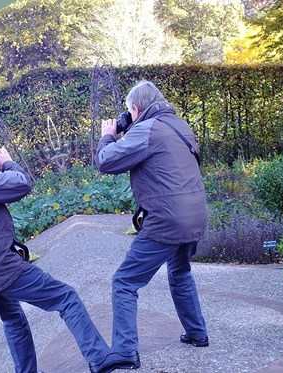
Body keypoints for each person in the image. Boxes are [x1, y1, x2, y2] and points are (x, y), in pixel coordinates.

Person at [0, 132, 118, 373]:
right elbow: (20, 183)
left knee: (12, 319)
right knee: (66, 298)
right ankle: (100, 358)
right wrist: (6, 163)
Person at [95, 80, 210, 368]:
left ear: (136, 109)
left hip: (167, 220)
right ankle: (197, 332)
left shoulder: (147, 129)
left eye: (128, 113)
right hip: (195, 214)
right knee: (180, 272)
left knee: (124, 282)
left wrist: (108, 135)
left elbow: (106, 161)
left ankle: (124, 351)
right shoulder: (179, 124)